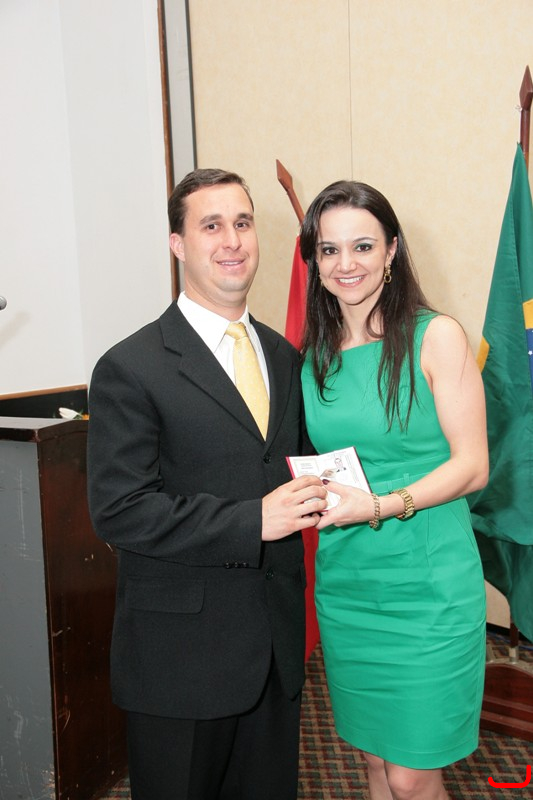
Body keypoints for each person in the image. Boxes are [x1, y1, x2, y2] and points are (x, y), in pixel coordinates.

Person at [87, 168, 327, 800]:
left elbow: (298, 467)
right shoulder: (130, 366)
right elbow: (121, 510)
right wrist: (255, 520)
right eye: (211, 225)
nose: (232, 240)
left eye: (242, 223)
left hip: (274, 651)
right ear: (178, 244)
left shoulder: (286, 357)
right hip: (181, 663)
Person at [299, 180, 488, 800]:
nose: (345, 264)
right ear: (315, 260)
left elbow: (473, 466)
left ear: (392, 250)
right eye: (329, 249)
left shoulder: (436, 336)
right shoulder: (313, 356)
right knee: (376, 764)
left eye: (362, 246)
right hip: (350, 586)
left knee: (411, 774)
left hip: (429, 588)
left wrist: (380, 505)